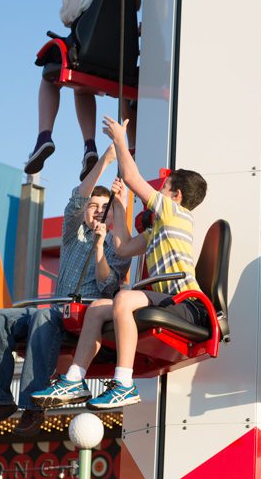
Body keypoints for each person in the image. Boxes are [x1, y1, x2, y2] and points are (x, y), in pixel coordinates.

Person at [31, 116, 208, 411]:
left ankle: (123, 383)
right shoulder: (158, 230)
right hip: (167, 299)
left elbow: (131, 176)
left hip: (186, 303)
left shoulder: (175, 212)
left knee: (123, 298)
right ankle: (75, 379)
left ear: (175, 195)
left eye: (163, 188)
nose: (158, 193)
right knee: (99, 308)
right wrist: (122, 205)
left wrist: (120, 141)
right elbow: (124, 247)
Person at [0, 145, 130, 438]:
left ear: (109, 215)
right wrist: (105, 161)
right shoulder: (72, 232)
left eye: (101, 208)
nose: (95, 211)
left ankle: (33, 404)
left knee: (44, 315)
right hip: (58, 307)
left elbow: (109, 286)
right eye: (91, 207)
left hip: (84, 317)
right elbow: (78, 194)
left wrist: (98, 247)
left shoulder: (115, 245)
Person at [26, 0, 142, 180]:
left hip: (87, 54)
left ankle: (48, 136)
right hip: (122, 62)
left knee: (48, 76)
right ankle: (105, 149)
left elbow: (68, 14)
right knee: (83, 87)